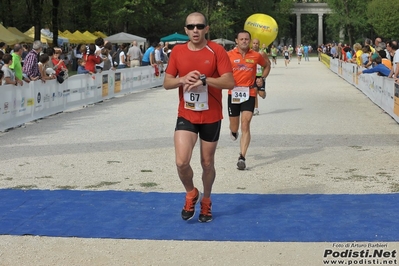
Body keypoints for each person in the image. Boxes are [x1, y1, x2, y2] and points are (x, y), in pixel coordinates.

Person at [163, 12, 234, 223]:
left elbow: (229, 82)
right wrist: (182, 79)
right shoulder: (178, 51)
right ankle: (191, 193)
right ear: (185, 30)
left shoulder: (217, 50)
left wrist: (206, 80)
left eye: (199, 26)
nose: (195, 30)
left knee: (207, 163)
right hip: (187, 114)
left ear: (206, 29)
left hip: (211, 115)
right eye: (191, 26)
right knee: (181, 162)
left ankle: (207, 200)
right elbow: (167, 82)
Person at [227, 30, 269, 170]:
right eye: (242, 39)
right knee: (234, 127)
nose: (244, 41)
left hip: (249, 92)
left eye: (247, 39)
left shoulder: (256, 55)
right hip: (233, 92)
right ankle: (233, 132)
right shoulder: (229, 55)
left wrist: (261, 78)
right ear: (236, 41)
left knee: (245, 124)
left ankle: (242, 157)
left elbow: (267, 65)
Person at [250, 38, 271, 115]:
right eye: (254, 43)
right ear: (252, 44)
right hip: (253, 76)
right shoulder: (249, 53)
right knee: (254, 92)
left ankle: (263, 93)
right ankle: (256, 109)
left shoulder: (262, 53)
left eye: (257, 43)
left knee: (261, 94)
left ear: (259, 44)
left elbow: (268, 63)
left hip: (260, 75)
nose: (255, 45)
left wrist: (264, 74)